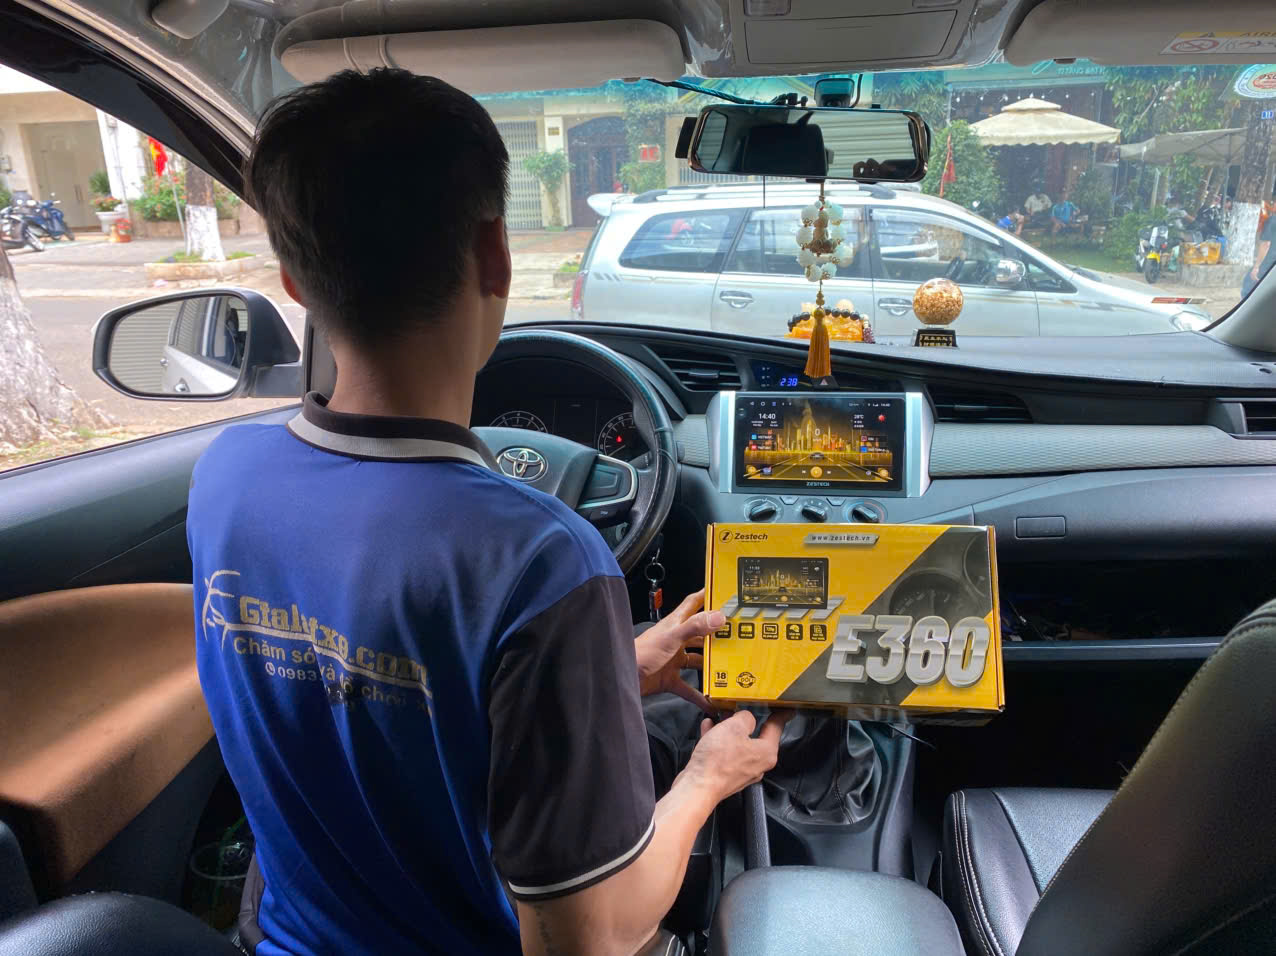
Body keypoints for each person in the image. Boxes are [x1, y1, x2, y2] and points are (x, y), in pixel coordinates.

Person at [188, 68, 786, 956]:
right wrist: (706, 778)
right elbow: (593, 942)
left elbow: (379, 706)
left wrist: (609, 668)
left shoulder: (225, 477)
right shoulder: (542, 561)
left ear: (294, 281)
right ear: (495, 254)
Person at [1243, 203, 1276, 299]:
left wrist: (1256, 267)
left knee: (1248, 286)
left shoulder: (1272, 220)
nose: (1273, 205)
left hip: (1268, 262)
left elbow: (1266, 244)